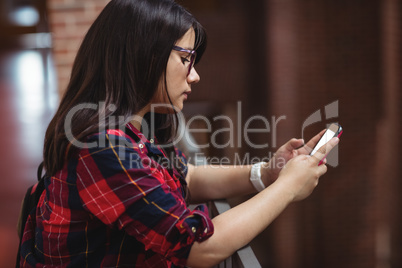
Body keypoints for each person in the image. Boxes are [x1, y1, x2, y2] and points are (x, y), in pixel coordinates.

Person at [18, 0, 339, 267]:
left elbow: (187, 178)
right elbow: (200, 248)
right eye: (186, 59)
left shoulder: (134, 126)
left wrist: (268, 173)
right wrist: (287, 187)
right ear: (144, 54)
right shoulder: (103, 145)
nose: (195, 75)